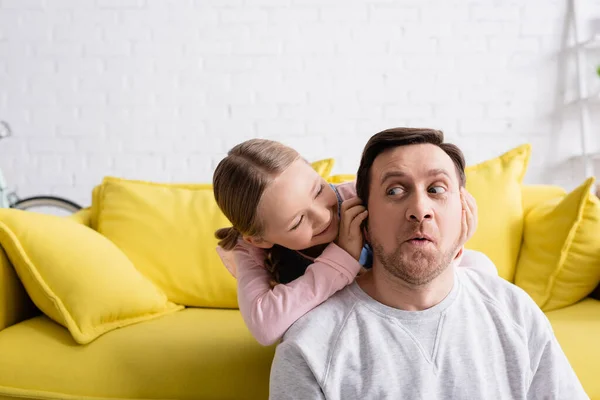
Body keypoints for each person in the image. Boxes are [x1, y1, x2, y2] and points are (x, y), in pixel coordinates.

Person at [268, 127, 588, 399]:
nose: (419, 208)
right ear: (363, 218)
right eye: (395, 190)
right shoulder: (309, 347)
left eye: (436, 189)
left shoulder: (516, 312)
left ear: (462, 210)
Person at [212, 138, 497, 347]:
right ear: (258, 238)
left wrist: (452, 243)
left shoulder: (358, 198)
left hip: (400, 299)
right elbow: (266, 326)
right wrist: (343, 256)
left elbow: (420, 267)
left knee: (480, 265)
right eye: (297, 222)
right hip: (343, 320)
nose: (324, 215)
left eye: (319, 189)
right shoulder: (248, 248)